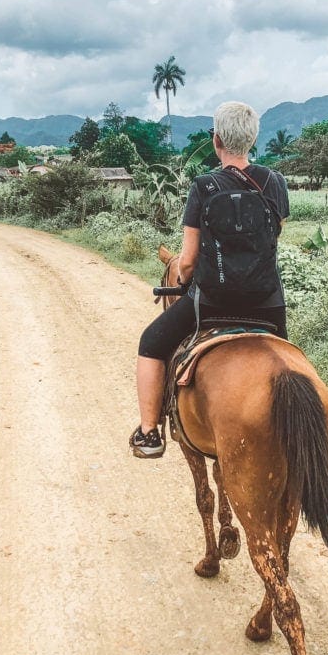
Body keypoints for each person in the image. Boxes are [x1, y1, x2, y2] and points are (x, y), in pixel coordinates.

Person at [130, 101, 290, 458]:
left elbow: (186, 261)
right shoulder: (275, 182)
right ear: (253, 139)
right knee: (288, 364)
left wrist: (187, 279)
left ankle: (149, 433)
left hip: (213, 303)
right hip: (268, 303)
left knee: (151, 342)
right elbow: (272, 238)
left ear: (217, 139)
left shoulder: (203, 186)